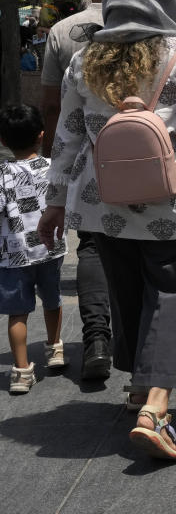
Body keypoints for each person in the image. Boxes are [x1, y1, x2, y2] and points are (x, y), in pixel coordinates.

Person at [38, 0, 176, 461]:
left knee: (129, 295)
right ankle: (156, 409)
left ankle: (141, 387)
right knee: (171, 295)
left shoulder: (84, 58)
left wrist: (54, 202)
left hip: (104, 204)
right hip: (174, 205)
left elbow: (68, 139)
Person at [38, 0, 119, 382]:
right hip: (146, 167)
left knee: (91, 245)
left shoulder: (62, 33)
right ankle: (134, 348)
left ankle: (96, 339)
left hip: (88, 165)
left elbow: (53, 105)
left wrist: (54, 162)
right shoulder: (151, 33)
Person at [0, 105, 67, 394]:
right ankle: (54, 350)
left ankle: (21, 371)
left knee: (18, 313)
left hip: (13, 254)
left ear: (3, 141)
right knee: (52, 300)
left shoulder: (2, 173)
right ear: (41, 136)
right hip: (49, 248)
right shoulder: (53, 168)